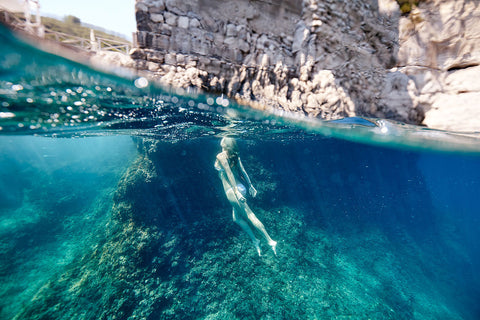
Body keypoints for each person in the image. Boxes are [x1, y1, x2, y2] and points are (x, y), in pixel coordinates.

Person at [215, 137, 277, 256]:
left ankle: (270, 241)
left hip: (231, 190)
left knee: (249, 215)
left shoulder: (221, 156)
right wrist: (250, 186)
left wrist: (236, 192)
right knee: (236, 218)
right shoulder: (235, 155)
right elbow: (243, 172)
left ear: (226, 144)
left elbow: (229, 174)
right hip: (239, 188)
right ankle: (255, 240)